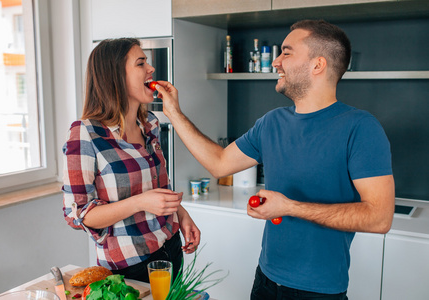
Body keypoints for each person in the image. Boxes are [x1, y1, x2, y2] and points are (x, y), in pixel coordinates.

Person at [155, 20, 395, 299]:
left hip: (319, 291)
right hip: (266, 281)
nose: (276, 62)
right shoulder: (271, 122)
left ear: (317, 65)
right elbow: (219, 162)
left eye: (287, 52)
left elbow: (379, 218)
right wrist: (173, 113)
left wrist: (290, 207)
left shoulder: (361, 128)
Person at [62, 38, 200, 283]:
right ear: (115, 76)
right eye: (141, 63)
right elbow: (78, 215)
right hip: (129, 266)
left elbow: (157, 190)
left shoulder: (150, 127)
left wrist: (181, 213)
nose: (151, 69)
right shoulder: (85, 134)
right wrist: (140, 203)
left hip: (170, 248)